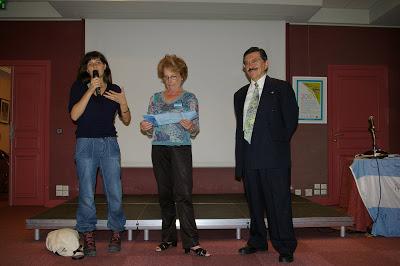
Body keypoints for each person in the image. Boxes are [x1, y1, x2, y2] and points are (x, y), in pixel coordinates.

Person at [140, 54, 210, 257]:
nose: (170, 81)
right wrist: (145, 127)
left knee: (184, 195)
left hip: (180, 148)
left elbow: (195, 129)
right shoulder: (154, 98)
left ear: (182, 76)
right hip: (159, 148)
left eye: (174, 76)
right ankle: (168, 238)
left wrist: (191, 126)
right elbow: (149, 129)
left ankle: (192, 242)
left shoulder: (190, 98)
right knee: (165, 196)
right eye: (166, 77)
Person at [234, 47, 298, 263]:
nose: (250, 64)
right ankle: (257, 241)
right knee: (254, 204)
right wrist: (240, 161)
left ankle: (285, 246)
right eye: (246, 62)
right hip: (249, 158)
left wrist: (272, 145)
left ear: (265, 63)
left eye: (254, 60)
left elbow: (290, 122)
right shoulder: (240, 94)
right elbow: (240, 129)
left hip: (274, 159)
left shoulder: (281, 88)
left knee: (278, 204)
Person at [68, 51, 131, 256]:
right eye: (90, 63)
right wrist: (89, 91)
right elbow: (74, 115)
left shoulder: (114, 89)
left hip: (109, 143)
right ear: (87, 69)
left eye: (98, 61)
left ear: (104, 67)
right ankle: (87, 233)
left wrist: (123, 102)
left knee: (115, 191)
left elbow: (127, 120)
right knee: (86, 192)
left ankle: (115, 231)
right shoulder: (78, 87)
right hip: (85, 143)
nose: (94, 64)